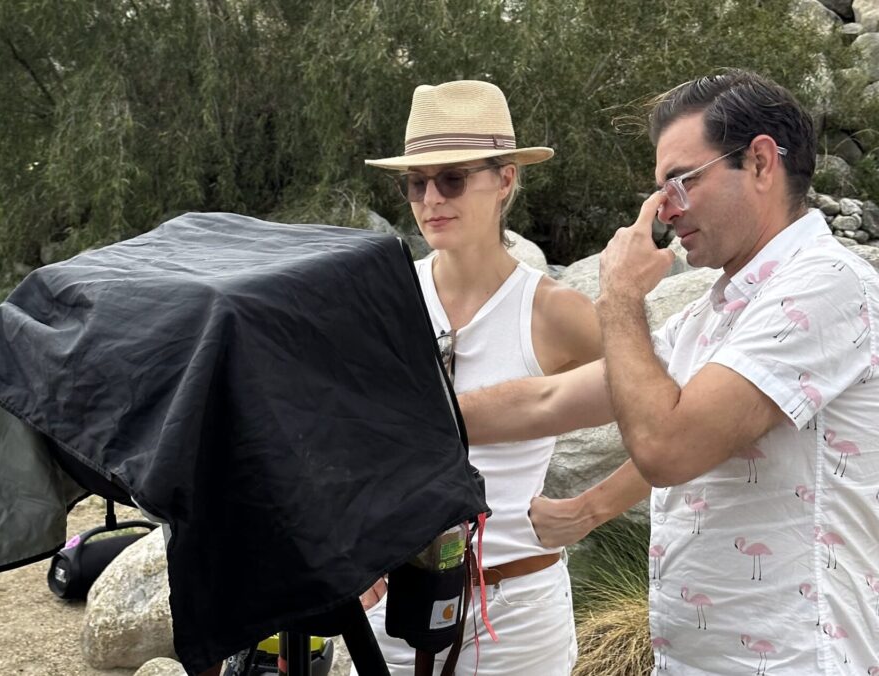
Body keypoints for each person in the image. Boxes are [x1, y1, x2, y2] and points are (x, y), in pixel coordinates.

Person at [459, 69, 879, 674]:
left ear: (761, 163)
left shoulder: (824, 287)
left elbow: (666, 446)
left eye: (680, 182)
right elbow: (547, 401)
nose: (663, 211)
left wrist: (620, 295)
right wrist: (407, 416)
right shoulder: (718, 312)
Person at [356, 80, 602, 675]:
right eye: (417, 183)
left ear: (507, 180)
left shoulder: (553, 312)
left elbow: (662, 409)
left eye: (453, 178)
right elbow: (343, 433)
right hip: (395, 607)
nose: (431, 198)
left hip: (516, 612)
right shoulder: (383, 297)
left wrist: (592, 507)